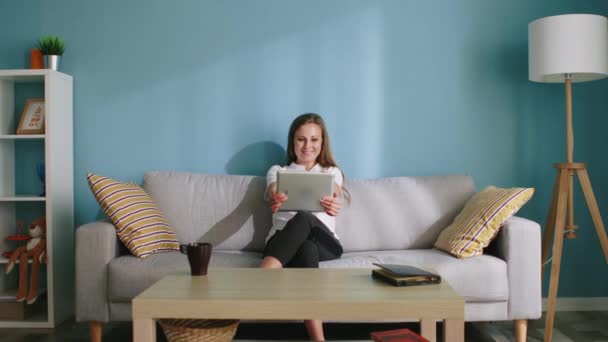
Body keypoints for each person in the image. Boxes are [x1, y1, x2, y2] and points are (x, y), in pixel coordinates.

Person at [260, 113, 348, 341]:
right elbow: (272, 190)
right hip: (282, 243)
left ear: (322, 142)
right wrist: (275, 198)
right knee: (306, 248)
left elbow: (336, 191)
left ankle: (262, 276)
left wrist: (334, 203)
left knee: (305, 217)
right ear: (293, 142)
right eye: (301, 139)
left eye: (314, 140)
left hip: (326, 245)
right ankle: (318, 339)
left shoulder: (331, 172)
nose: (308, 146)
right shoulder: (278, 170)